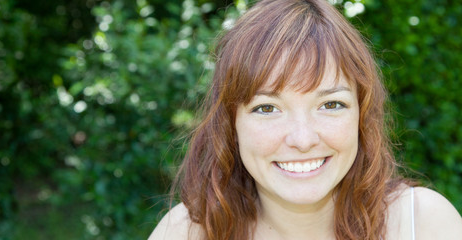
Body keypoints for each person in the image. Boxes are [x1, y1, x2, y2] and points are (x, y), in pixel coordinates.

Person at [149, 0, 462, 239]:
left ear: (361, 115)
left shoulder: (422, 224)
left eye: (330, 104)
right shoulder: (186, 232)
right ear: (231, 125)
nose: (302, 139)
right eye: (267, 108)